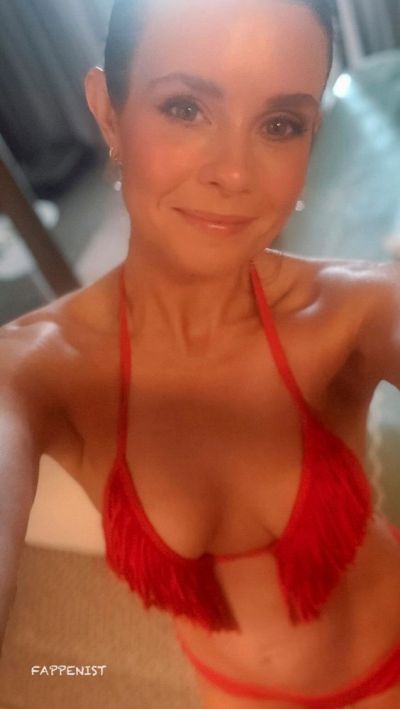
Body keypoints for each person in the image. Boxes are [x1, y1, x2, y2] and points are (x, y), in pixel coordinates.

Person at [1, 0, 400, 706]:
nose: (235, 174)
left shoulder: (356, 309)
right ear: (109, 111)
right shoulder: (35, 369)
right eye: (185, 108)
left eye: (280, 124)